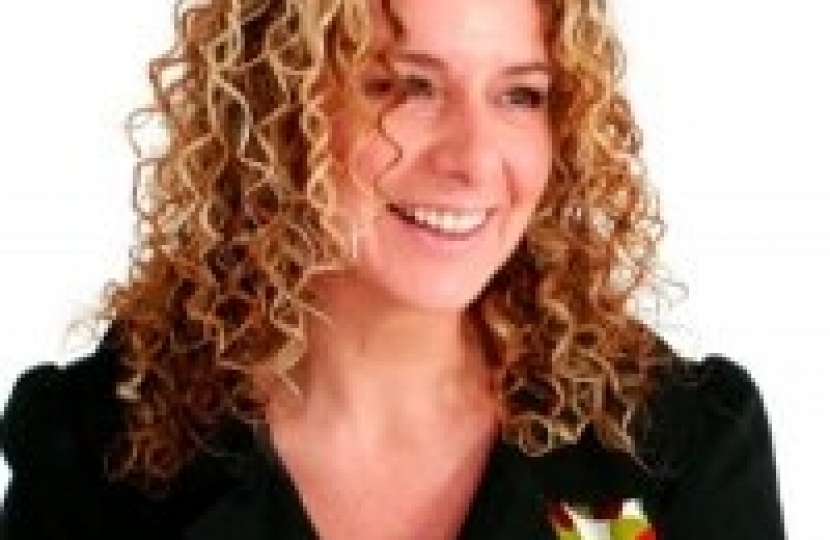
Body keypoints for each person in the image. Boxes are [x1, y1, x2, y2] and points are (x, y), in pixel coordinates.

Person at [1, 0, 786, 537]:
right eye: (409, 87)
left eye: (520, 95)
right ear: (276, 106)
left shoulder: (680, 443)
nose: (474, 158)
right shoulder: (97, 451)